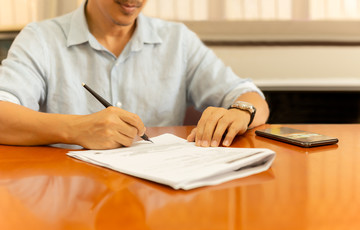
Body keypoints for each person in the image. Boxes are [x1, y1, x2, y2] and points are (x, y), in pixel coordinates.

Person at [0, 0, 269, 150]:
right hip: (70, 194)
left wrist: (240, 111)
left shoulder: (177, 40)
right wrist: (75, 129)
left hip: (155, 195)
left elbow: (249, 96)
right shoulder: (41, 38)